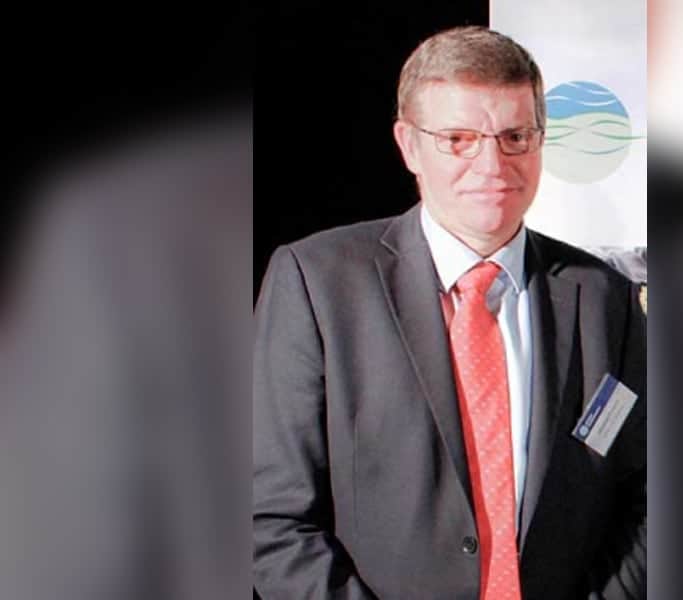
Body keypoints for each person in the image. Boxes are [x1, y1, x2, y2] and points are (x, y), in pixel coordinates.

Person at [253, 25, 646, 600]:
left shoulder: (607, 297)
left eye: (515, 136)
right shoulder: (317, 284)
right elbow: (270, 517)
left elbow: (645, 495)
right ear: (409, 145)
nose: (493, 165)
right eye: (459, 139)